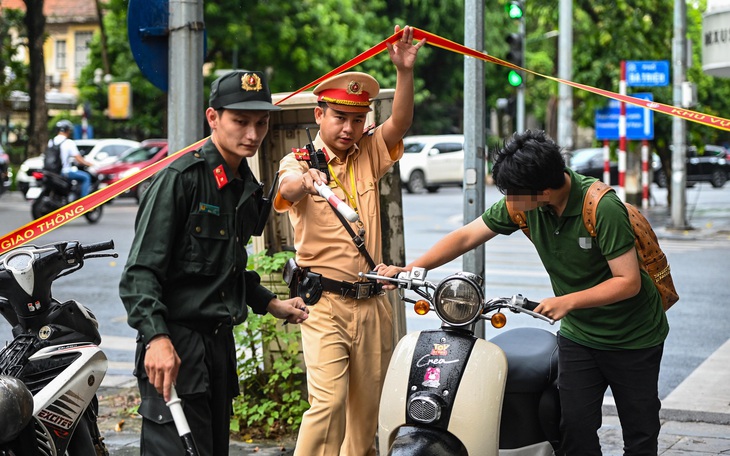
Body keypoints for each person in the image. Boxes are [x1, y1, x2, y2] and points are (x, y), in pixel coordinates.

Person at [377, 129, 670, 456]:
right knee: (574, 426)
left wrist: (566, 302)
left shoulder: (602, 208)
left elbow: (627, 281)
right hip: (580, 335)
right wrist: (413, 268)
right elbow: (465, 237)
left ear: (544, 191)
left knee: (640, 430)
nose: (509, 203)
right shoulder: (524, 203)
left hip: (633, 337)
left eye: (514, 194)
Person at [119, 70, 309, 456]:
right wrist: (156, 339)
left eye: (261, 122)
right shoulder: (181, 179)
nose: (253, 134)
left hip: (218, 346)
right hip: (175, 343)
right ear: (213, 118)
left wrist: (272, 304)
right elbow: (140, 272)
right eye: (240, 121)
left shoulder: (243, 184)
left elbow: (228, 267)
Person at [274, 25, 424, 456]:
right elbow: (286, 189)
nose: (349, 127)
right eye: (340, 117)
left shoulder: (369, 152)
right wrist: (305, 180)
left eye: (357, 119)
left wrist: (404, 72)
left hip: (373, 301)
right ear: (319, 115)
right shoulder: (298, 160)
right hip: (324, 304)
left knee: (366, 415)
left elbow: (401, 121)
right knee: (328, 404)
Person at [53, 119, 94, 197]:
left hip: (53, 172)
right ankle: (84, 202)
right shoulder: (69, 142)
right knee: (86, 177)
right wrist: (89, 164)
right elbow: (79, 160)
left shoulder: (51, 141)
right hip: (65, 172)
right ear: (67, 130)